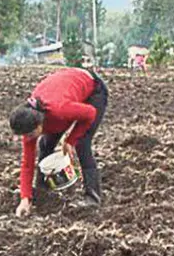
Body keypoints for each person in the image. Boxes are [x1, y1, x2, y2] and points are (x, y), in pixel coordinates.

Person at [8, 67, 108, 216]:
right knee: (45, 145)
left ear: (40, 123)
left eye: (31, 134)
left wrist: (71, 140)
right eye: (26, 135)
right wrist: (25, 198)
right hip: (64, 92)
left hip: (93, 88)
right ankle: (42, 192)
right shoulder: (29, 122)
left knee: (82, 144)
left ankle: (92, 198)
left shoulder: (60, 110)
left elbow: (90, 113)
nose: (29, 138)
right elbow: (27, 164)